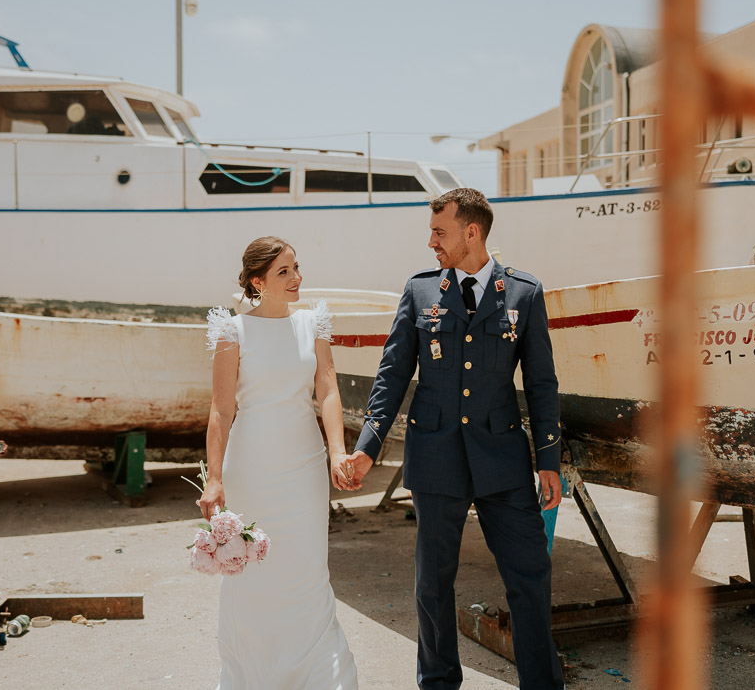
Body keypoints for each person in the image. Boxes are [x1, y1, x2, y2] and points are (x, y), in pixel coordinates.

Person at [348, 188, 565, 690]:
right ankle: (439, 683)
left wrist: (547, 460)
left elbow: (541, 382)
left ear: (472, 232)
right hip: (436, 455)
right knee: (433, 583)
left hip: (503, 458)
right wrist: (367, 446)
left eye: (439, 231)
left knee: (530, 576)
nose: (431, 242)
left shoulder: (524, 293)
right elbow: (392, 373)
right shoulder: (421, 290)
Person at [198, 236, 360, 689]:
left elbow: (327, 389)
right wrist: (214, 479)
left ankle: (322, 677)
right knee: (253, 573)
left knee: (308, 570)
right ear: (258, 281)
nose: (297, 278)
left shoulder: (313, 323)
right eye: (284, 272)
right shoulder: (233, 331)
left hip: (304, 465)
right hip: (250, 467)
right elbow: (220, 409)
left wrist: (336, 451)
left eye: (296, 268)